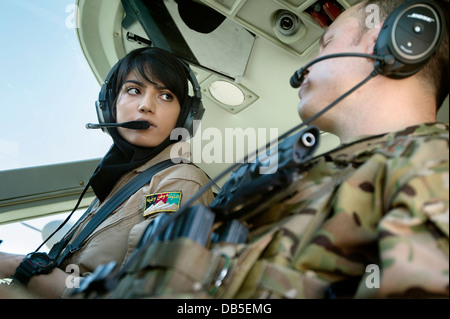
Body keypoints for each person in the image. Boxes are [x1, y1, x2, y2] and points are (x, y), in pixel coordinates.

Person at [95, 0, 448, 299]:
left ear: (398, 41)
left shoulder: (435, 170)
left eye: (326, 43)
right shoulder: (327, 178)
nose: (302, 69)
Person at [0, 46, 215, 298]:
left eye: (166, 96)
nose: (146, 106)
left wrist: (19, 265)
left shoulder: (180, 180)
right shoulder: (120, 182)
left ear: (186, 117)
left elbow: (137, 296)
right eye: (134, 90)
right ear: (109, 104)